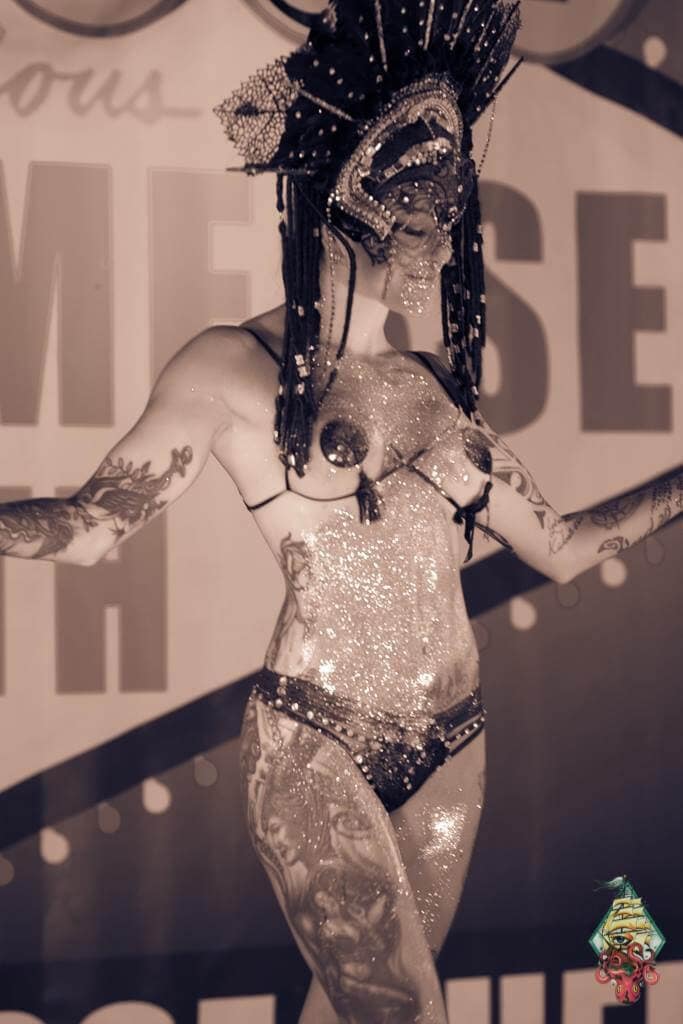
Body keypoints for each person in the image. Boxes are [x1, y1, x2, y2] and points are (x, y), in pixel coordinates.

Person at [1, 2, 681, 1022]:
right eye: (413, 214)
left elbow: (563, 548)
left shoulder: (432, 390)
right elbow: (95, 527)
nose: (432, 243)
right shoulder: (232, 368)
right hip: (315, 747)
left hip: (453, 747)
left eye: (444, 215)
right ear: (338, 195)